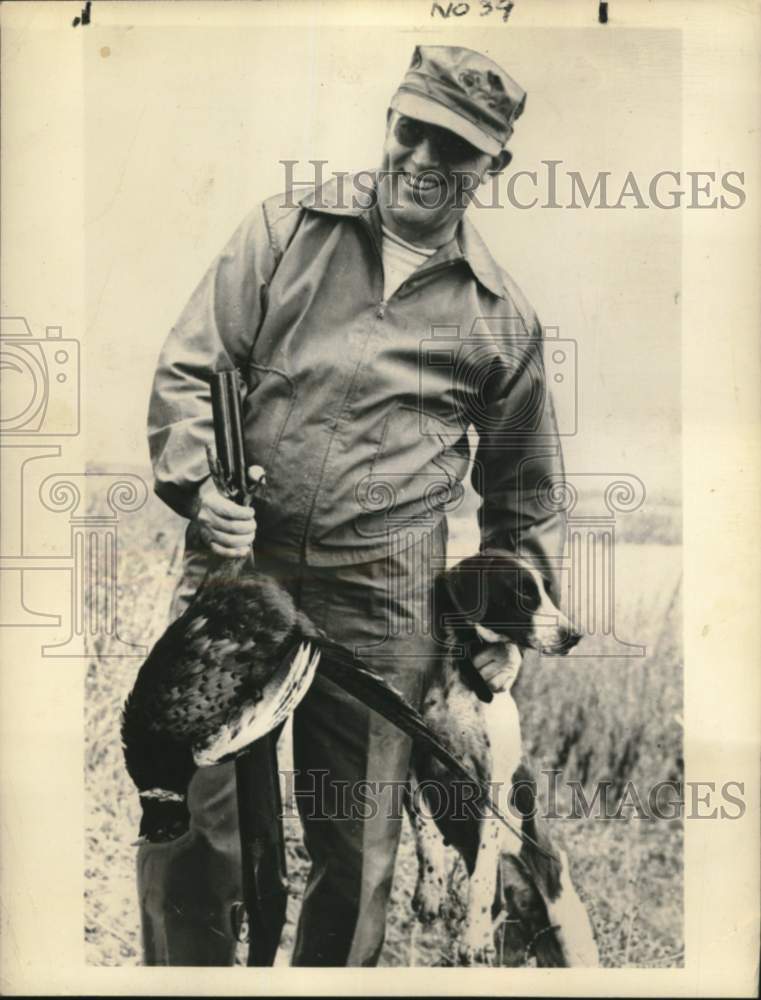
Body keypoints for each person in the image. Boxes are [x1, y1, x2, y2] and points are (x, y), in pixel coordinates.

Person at [141, 44, 566, 967]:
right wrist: (200, 485)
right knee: (194, 818)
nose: (421, 157)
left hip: (381, 603)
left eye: (452, 147)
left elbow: (524, 497)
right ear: (388, 121)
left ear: (493, 166)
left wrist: (505, 640)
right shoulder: (283, 231)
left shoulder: (502, 321)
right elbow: (190, 371)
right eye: (409, 128)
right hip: (237, 573)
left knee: (356, 847)